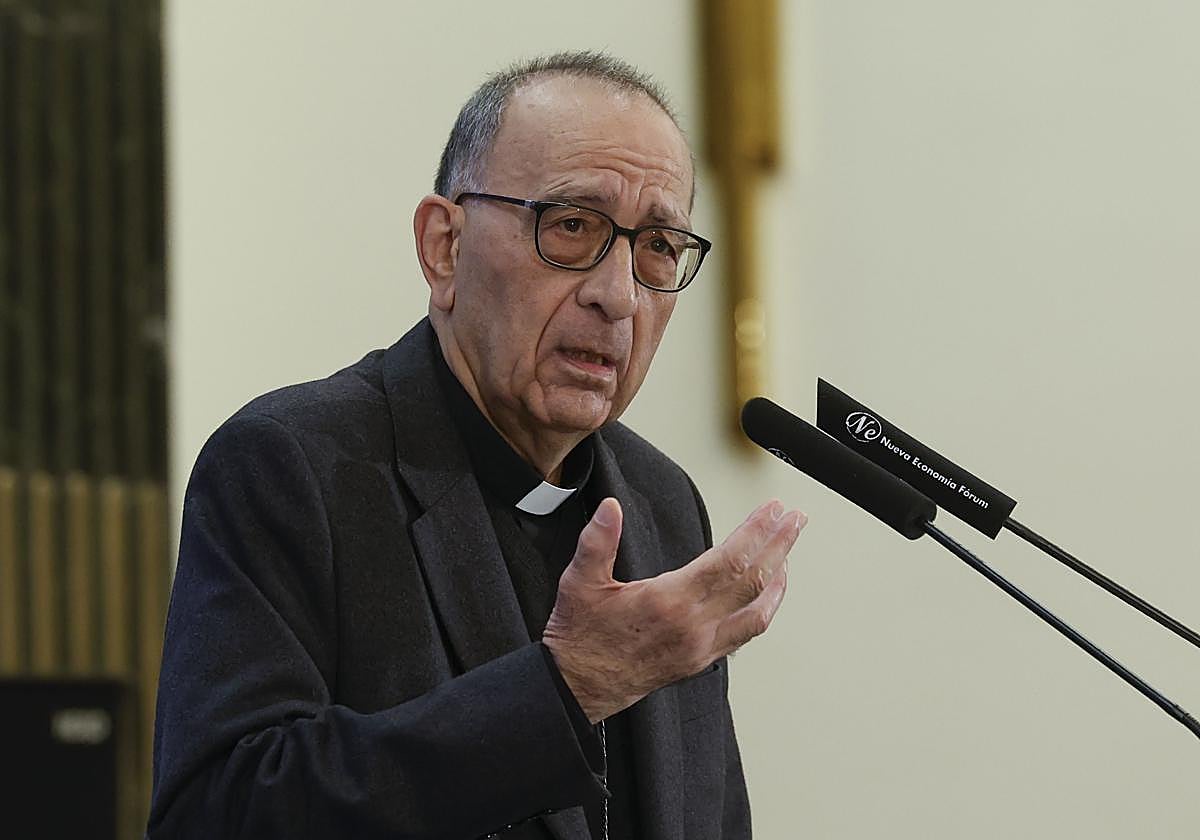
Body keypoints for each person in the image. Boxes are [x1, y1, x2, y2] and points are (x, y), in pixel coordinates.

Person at [148, 51, 805, 840]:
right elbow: (217, 815)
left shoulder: (662, 504)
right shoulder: (293, 468)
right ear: (443, 247)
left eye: (659, 247)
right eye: (572, 227)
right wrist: (566, 688)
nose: (619, 294)